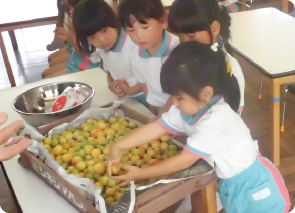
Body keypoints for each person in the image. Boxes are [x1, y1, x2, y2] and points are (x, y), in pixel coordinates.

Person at [107, 42, 291, 213]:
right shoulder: (191, 108)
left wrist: (142, 173)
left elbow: (183, 160)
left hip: (255, 190)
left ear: (205, 93)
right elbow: (157, 126)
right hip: (233, 185)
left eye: (179, 98)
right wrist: (119, 146)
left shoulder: (216, 121)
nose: (174, 104)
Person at [168, 0, 245, 114]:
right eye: (180, 36)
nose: (185, 42)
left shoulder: (230, 71)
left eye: (191, 35)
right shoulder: (185, 58)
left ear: (214, 28)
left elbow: (229, 118)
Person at [73, 0, 148, 107]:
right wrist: (111, 85)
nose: (102, 40)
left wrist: (130, 90)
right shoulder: (103, 50)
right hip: (130, 100)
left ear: (113, 21)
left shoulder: (133, 44)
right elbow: (109, 72)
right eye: (93, 37)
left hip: (148, 100)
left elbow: (149, 79)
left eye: (104, 30)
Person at [118, 0, 179, 115]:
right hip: (160, 111)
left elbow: (179, 94)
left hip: (181, 110)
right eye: (131, 30)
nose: (139, 36)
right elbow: (145, 86)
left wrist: (160, 118)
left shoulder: (177, 51)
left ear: (163, 21)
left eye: (145, 27)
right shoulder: (135, 54)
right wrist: (154, 113)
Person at [42, 0, 102, 78]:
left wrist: (71, 36)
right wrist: (69, 37)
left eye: (72, 11)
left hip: (83, 65)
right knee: (49, 65)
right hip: (77, 59)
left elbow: (84, 53)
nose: (70, 13)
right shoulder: (72, 13)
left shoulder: (89, 26)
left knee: (47, 74)